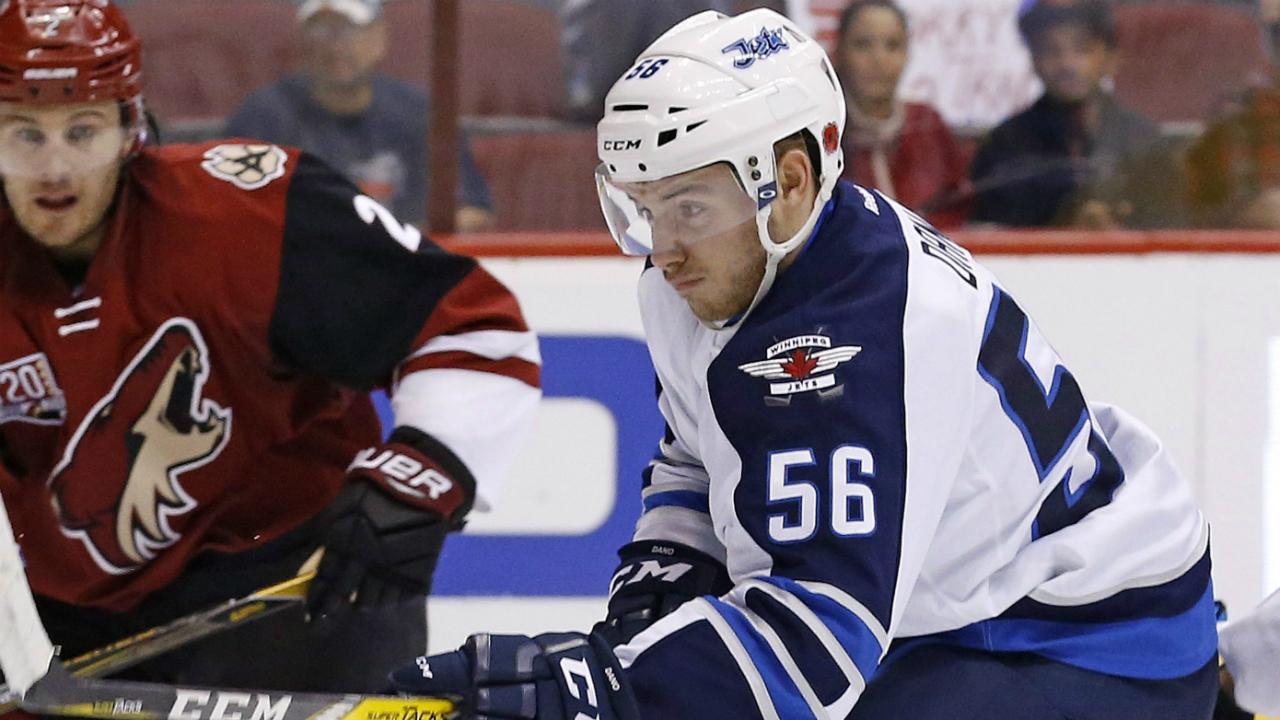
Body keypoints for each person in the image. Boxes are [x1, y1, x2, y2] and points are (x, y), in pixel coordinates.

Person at [388, 9, 1217, 720]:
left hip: (1088, 637)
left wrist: (600, 687)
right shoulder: (721, 269)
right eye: (643, 208)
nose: (663, 249)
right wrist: (661, 581)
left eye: (687, 206)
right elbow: (699, 453)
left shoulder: (849, 339)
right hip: (960, 610)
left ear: (787, 181)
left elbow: (813, 648)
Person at [0, 0, 539, 695]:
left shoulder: (247, 215)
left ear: (132, 127)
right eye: (22, 136)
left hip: (298, 600)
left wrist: (420, 474)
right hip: (65, 633)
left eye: (84, 131)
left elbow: (469, 326)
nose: (56, 169)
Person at [224, 0, 496, 232]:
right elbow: (226, 210)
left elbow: (473, 211)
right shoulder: (264, 118)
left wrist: (403, 242)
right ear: (301, 41)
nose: (334, 46)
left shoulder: (419, 115)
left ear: (379, 39)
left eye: (348, 30)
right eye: (320, 30)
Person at [969, 0, 1183, 229]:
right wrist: (1064, 225)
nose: (1067, 64)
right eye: (1051, 50)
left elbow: (1173, 231)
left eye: (1082, 49)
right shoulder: (1004, 145)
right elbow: (993, 236)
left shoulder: (1144, 139)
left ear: (1111, 57)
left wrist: (1117, 233)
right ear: (1033, 58)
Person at [834, 0, 970, 229]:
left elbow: (957, 210)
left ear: (907, 53)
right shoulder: (822, 130)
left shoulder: (928, 125)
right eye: (863, 44)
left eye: (893, 45)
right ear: (838, 51)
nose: (879, 59)